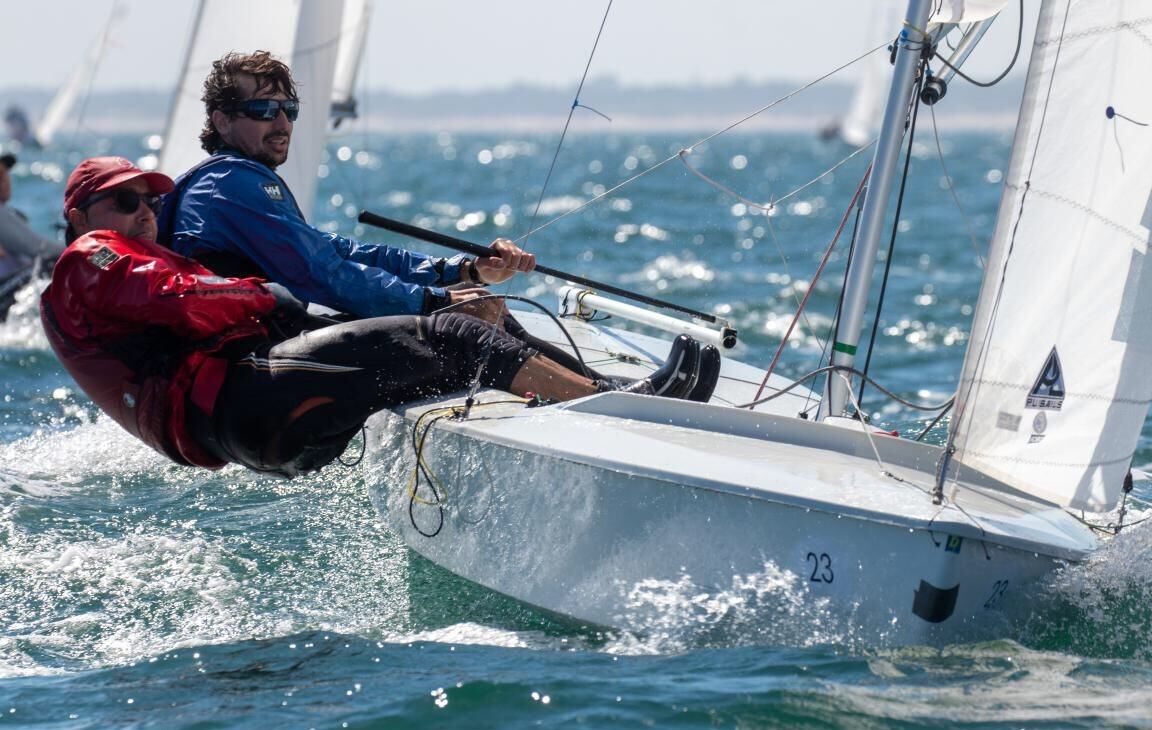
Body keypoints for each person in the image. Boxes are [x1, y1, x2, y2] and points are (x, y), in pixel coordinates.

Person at [43, 157, 710, 478]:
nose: (143, 211)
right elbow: (185, 299)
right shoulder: (90, 257)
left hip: (251, 416)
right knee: (456, 335)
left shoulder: (129, 258)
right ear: (78, 216)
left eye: (150, 201)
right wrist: (262, 293)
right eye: (124, 200)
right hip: (245, 406)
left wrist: (455, 276)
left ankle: (608, 394)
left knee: (462, 336)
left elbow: (331, 259)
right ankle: (620, 405)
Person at [158, 50, 722, 396]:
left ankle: (613, 390)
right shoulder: (232, 185)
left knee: (478, 305)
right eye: (263, 111)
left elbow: (342, 253)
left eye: (289, 110)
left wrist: (459, 271)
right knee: (460, 324)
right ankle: (606, 397)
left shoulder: (236, 182)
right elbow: (323, 274)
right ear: (222, 121)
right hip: (255, 367)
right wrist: (435, 301)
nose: (281, 122)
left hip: (276, 343)